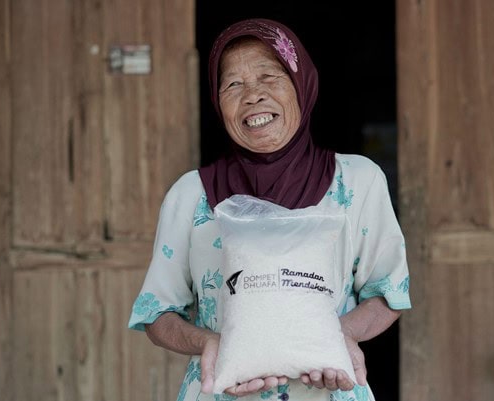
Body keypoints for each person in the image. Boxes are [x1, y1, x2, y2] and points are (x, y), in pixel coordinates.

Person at [128, 18, 411, 401]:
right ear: (218, 102)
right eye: (233, 84)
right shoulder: (191, 195)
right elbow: (156, 313)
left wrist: (341, 335)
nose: (253, 96)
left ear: (301, 85)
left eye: (269, 76)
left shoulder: (358, 181)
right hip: (221, 391)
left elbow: (388, 291)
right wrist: (210, 343)